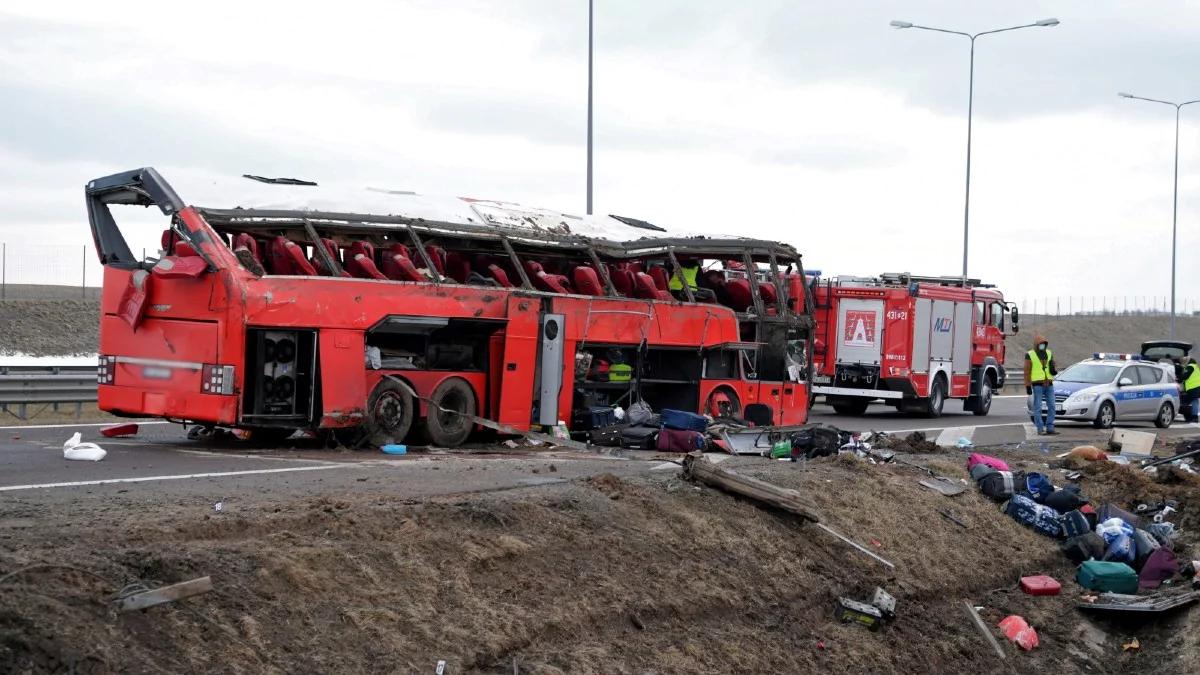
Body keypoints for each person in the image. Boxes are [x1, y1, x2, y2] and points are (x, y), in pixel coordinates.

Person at [1024, 335, 1059, 435]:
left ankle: (1050, 427)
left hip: (1049, 383)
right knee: (1038, 407)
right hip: (1037, 385)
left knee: (1052, 406)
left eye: (1044, 344)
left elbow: (1053, 365)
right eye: (1040, 344)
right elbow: (1027, 371)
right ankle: (1040, 428)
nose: (1042, 346)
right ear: (1036, 345)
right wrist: (1028, 385)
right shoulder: (1030, 354)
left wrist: (1054, 368)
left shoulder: (1049, 353)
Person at [1181, 356, 1200, 423]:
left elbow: (1185, 376)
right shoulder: (1196, 366)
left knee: (1193, 402)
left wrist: (1180, 378)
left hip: (1193, 387)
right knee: (1192, 402)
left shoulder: (1190, 366)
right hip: (1196, 387)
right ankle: (1190, 417)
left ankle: (1194, 417)